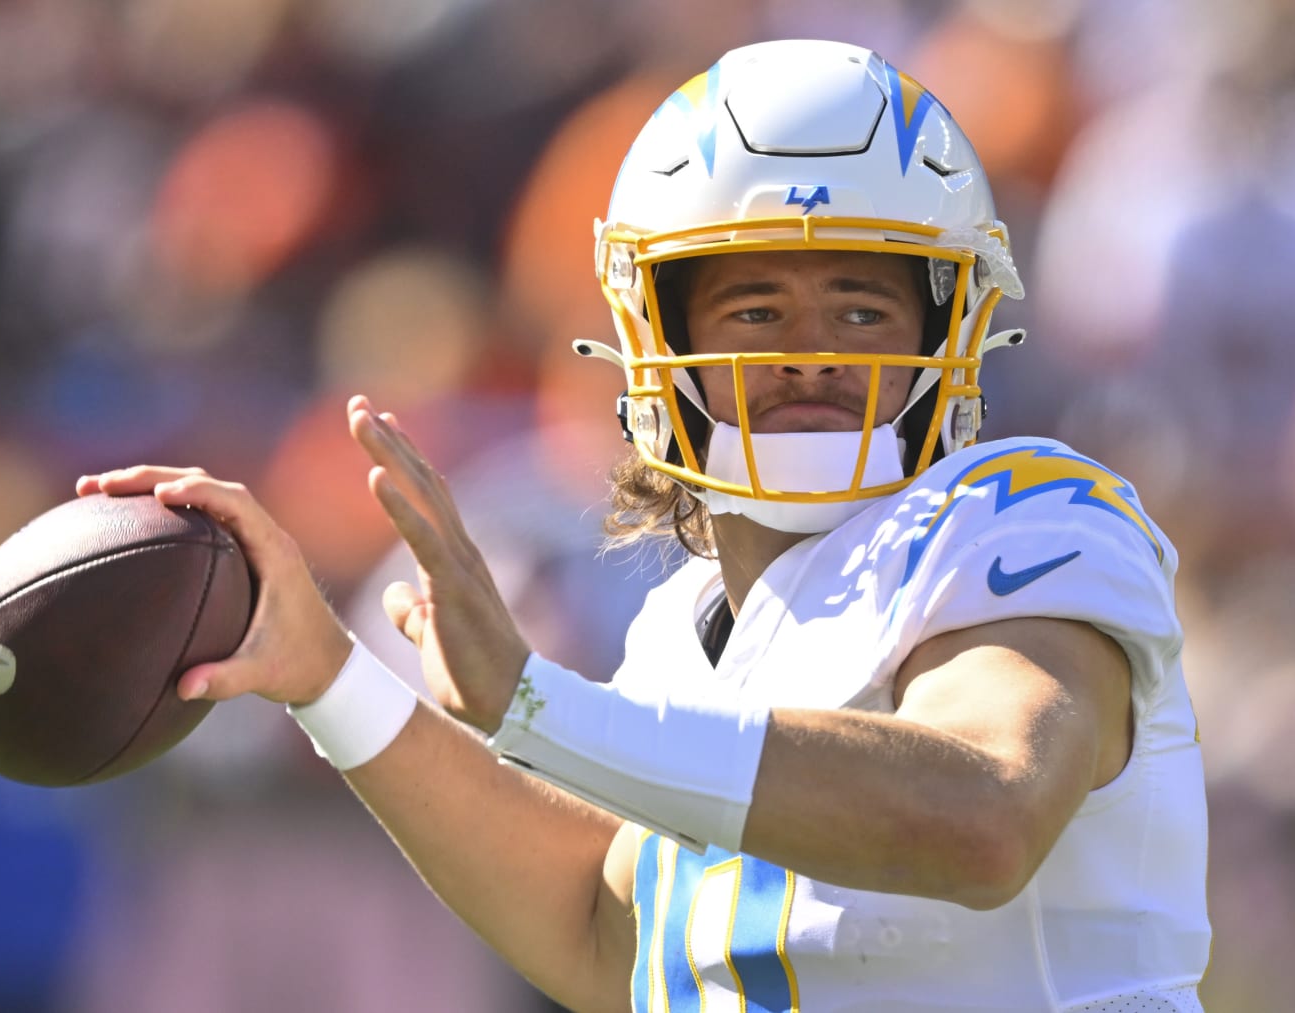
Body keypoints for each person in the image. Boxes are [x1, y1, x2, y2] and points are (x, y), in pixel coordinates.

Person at [79, 39, 1210, 1012]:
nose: (808, 349)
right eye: (755, 308)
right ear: (651, 339)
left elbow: (986, 808)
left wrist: (534, 703)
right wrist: (329, 675)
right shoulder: (684, 632)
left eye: (861, 308)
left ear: (948, 329)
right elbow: (596, 929)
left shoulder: (1029, 510)